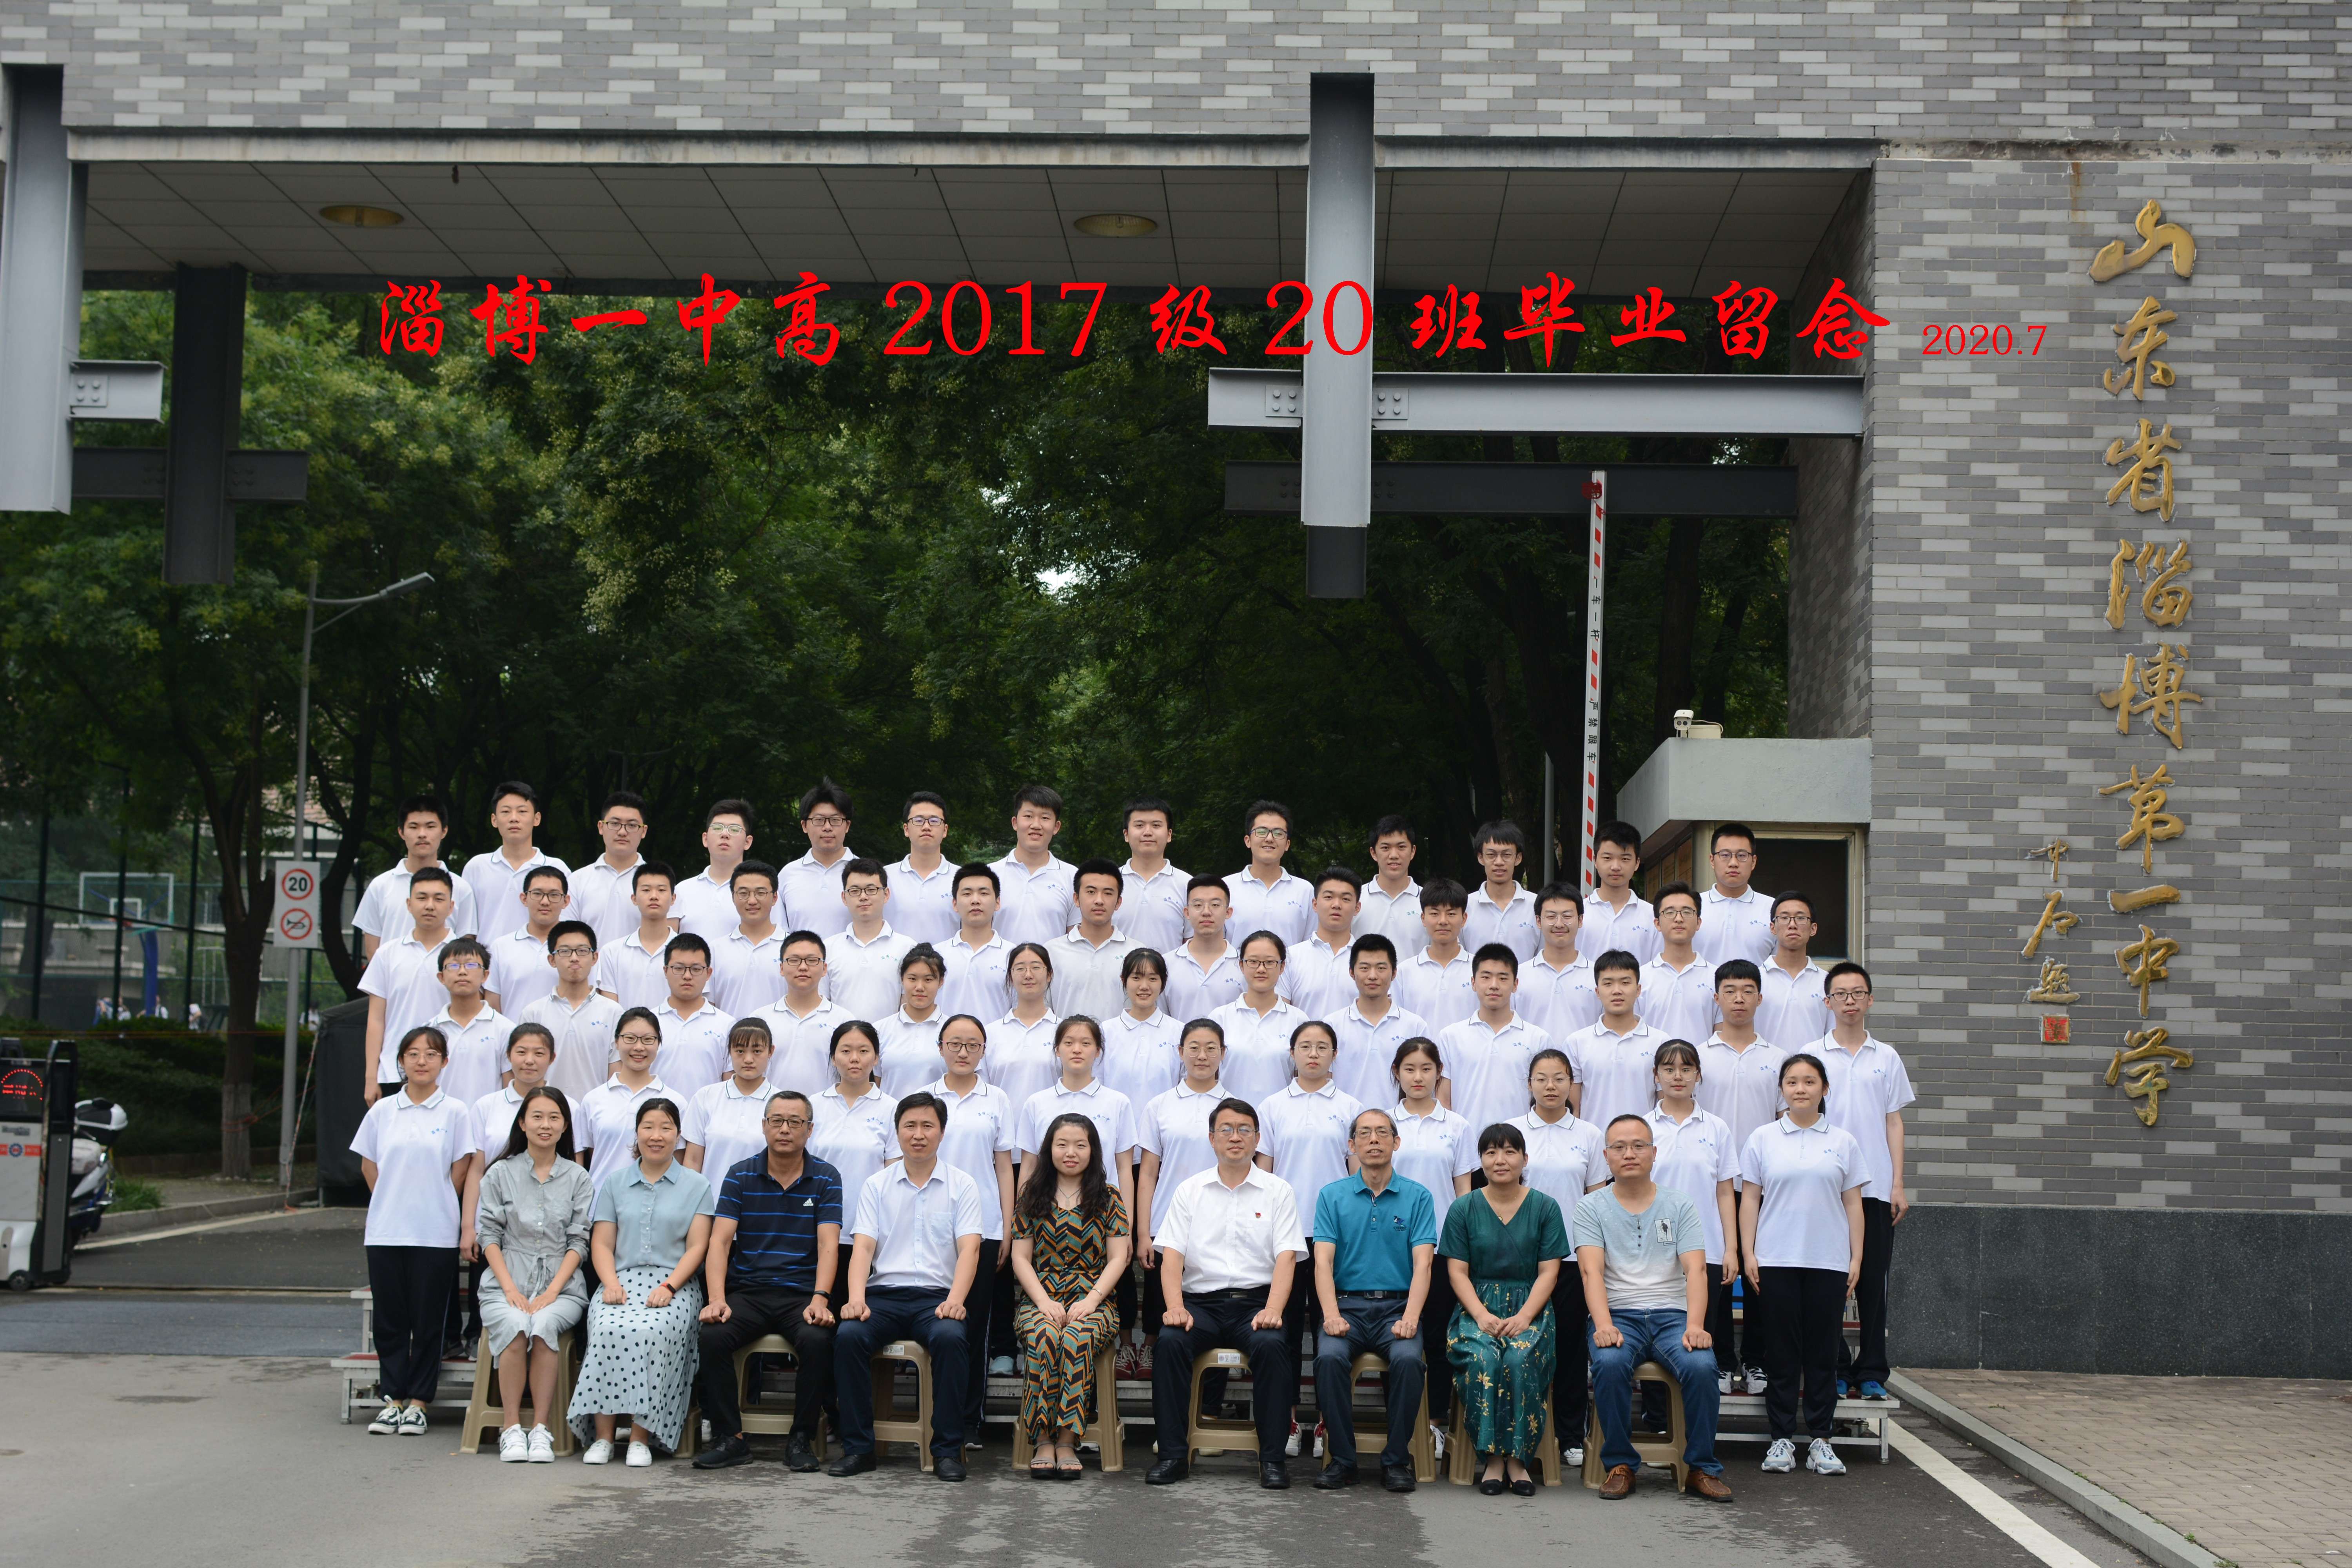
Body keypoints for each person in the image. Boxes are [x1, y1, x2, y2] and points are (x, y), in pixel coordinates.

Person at [1147, 1096, 1305, 1489]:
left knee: (1273, 1345)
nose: (1236, 1137)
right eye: (1227, 1130)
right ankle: (1173, 1456)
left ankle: (1272, 1460)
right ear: (1212, 1138)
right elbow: (1172, 1257)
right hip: (1201, 1305)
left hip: (1255, 1304)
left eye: (1244, 1130)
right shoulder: (1190, 1190)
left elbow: (1287, 1257)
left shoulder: (1278, 1190)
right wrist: (1175, 1307)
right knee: (1170, 1341)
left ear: (1257, 1139)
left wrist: (1273, 1309)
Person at [1576, 1113, 1734, 1501]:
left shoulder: (1679, 1204)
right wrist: (1603, 1324)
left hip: (1672, 1316)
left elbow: (1696, 1269)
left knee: (1702, 1366)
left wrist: (1695, 1325)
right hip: (1619, 1314)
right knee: (1610, 1363)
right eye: (1619, 1147)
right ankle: (1620, 1465)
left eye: (1638, 1146)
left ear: (1654, 1152)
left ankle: (1701, 1467)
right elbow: (1591, 1272)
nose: (1629, 1154)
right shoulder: (1591, 1206)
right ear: (1607, 1157)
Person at [830, 1092, 986, 1481]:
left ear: (942, 1132)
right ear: (897, 1132)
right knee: (849, 1335)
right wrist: (855, 1299)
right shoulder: (877, 1184)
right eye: (910, 1126)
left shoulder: (963, 1184)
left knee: (951, 1338)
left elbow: (970, 1250)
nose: (918, 1134)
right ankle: (859, 1448)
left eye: (927, 1126)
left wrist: (956, 1300)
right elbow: (863, 1248)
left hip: (937, 1299)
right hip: (884, 1297)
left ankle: (947, 1451)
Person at [690, 1087, 842, 1472]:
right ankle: (731, 1438)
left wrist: (821, 1298)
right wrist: (717, 1298)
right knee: (713, 1335)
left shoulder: (826, 1177)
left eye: (795, 1122)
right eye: (777, 1121)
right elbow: (720, 1242)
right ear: (764, 1126)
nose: (785, 1129)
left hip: (801, 1294)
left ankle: (801, 1438)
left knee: (817, 1339)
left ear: (810, 1129)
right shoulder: (740, 1174)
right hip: (749, 1291)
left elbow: (828, 1245)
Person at [1738, 1054, 1865, 1476]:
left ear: (1825, 1089)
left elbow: (1853, 1203)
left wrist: (1856, 1256)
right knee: (1781, 1352)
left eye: (1810, 1081)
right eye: (1792, 1082)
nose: (1800, 1089)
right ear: (1782, 1090)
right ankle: (1782, 1438)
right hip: (1776, 1258)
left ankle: (1822, 1439)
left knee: (1823, 1352)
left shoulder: (1843, 1141)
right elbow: (1750, 1199)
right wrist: (1749, 1252)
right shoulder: (1763, 1138)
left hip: (1828, 1261)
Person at [572, 1098, 715, 1464]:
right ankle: (603, 1437)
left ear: (678, 1135)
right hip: (620, 1280)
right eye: (648, 1127)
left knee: (652, 1330)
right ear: (636, 1133)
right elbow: (601, 1244)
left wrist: (669, 1288)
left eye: (666, 1128)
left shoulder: (697, 1185)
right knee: (606, 1327)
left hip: (675, 1285)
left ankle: (640, 1436)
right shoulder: (615, 1182)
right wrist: (610, 1284)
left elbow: (698, 1247)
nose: (657, 1135)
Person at [352, 1025, 476, 1436]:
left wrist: (432, 1200)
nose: (422, 1061)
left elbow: (460, 1169)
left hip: (435, 1232)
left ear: (445, 1061)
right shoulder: (382, 1111)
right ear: (401, 1062)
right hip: (386, 1230)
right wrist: (393, 1199)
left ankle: (420, 1401)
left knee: (428, 1320)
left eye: (431, 1054)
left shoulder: (455, 1111)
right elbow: (369, 1165)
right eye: (413, 1054)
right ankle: (393, 1399)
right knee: (390, 1319)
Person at [1439, 1122, 1569, 1496]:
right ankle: (1493, 1459)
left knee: (1518, 1358)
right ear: (1481, 1160)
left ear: (1525, 1159)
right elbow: (1457, 1272)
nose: (1501, 1160)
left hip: (1531, 1310)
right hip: (1476, 1310)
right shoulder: (1464, 1208)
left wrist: (1525, 1316)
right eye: (1491, 1152)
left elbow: (1549, 1272)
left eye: (1510, 1152)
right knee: (1485, 1359)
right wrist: (1481, 1315)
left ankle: (1518, 1460)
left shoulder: (1545, 1207)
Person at [1311, 1108, 1435, 1493]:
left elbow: (1424, 1263)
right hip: (1347, 1307)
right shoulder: (1332, 1195)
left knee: (1409, 1360)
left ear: (1397, 1142)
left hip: (1397, 1309)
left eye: (1383, 1133)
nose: (1374, 1140)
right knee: (1329, 1358)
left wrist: (1411, 1316)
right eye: (1364, 1134)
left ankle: (1396, 1460)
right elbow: (1322, 1262)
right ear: (1352, 1145)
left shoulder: (1418, 1196)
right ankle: (1343, 1461)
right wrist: (1331, 1314)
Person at [474, 1084, 594, 1463]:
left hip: (563, 1286)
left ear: (565, 1126)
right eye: (537, 1117)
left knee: (543, 1323)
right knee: (514, 1323)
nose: (546, 1125)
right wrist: (509, 1288)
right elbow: (489, 1235)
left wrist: (553, 1291)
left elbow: (579, 1241)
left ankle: (541, 1429)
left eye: (554, 1118)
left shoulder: (578, 1177)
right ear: (523, 1123)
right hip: (505, 1280)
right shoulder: (500, 1173)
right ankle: (511, 1428)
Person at [1011, 1112, 1132, 1478]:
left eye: (1081, 1145)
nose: (1071, 1153)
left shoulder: (1109, 1197)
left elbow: (1119, 1258)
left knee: (1077, 1337)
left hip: (1094, 1299)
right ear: (1049, 1149)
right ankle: (1042, 1439)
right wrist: (1044, 1302)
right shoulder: (1031, 1195)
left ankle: (1067, 1440)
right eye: (1062, 1144)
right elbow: (1020, 1258)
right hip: (1041, 1296)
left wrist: (1092, 1300)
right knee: (1045, 1335)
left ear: (1093, 1151)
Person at [1814, 962, 1912, 1401]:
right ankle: (1834, 1365)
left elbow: (1894, 1122)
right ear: (1828, 1002)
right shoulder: (1812, 1055)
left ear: (1870, 1000)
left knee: (1874, 1280)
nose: (1849, 1001)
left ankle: (1872, 1369)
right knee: (1829, 1282)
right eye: (1841, 994)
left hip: (1874, 1186)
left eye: (1857, 993)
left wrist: (1898, 1184)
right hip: (1825, 1188)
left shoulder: (1886, 1057)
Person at [921, 1013, 1018, 1446]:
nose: (963, 1052)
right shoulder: (924, 1098)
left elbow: (1004, 1166)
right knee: (935, 1319)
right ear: (941, 1047)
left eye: (973, 1045)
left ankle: (967, 1420)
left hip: (983, 1225)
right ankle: (932, 1415)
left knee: (974, 1325)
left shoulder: (997, 1099)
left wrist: (1008, 1226)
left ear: (984, 1051)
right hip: (931, 1222)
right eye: (955, 1044)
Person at [1514, 1047, 1608, 1467]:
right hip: (1521, 1260)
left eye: (1559, 1078)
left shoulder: (1589, 1134)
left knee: (1570, 1348)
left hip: (1571, 1258)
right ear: (1529, 1084)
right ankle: (1520, 1432)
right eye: (1542, 1078)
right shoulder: (1514, 1131)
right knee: (1522, 1347)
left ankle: (1570, 1434)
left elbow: (1597, 1198)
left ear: (1572, 1083)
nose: (1550, 1086)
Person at [1697, 960, 1786, 1393]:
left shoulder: (1778, 1058)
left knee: (1758, 1274)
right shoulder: (1698, 1056)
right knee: (1716, 1271)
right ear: (1716, 997)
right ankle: (1719, 1360)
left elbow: (1784, 1121)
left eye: (1747, 991)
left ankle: (1756, 1361)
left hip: (1759, 1185)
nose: (1738, 999)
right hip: (1712, 1184)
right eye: (1729, 991)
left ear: (1760, 998)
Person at [1644, 1042, 1741, 1394]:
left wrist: (1731, 1248)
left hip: (1706, 1247)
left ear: (1698, 1075)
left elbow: (1725, 1192)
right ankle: (1658, 1415)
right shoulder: (1643, 1127)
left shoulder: (1716, 1128)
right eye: (1669, 1069)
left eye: (1686, 1069)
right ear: (1656, 1076)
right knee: (1656, 1334)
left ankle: (1696, 1418)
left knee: (1700, 1335)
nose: (1678, 1077)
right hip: (1652, 1249)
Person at [1387, 1036, 1470, 1437]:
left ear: (1439, 1073)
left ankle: (1435, 1421)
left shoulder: (1457, 1125)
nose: (1418, 1077)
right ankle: (1396, 1421)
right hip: (1388, 1245)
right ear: (1396, 1073)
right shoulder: (1382, 1122)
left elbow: (1464, 1193)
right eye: (1409, 1069)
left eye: (1426, 1069)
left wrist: (1465, 1244)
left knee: (1438, 1335)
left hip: (1441, 1246)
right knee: (1390, 1333)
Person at [1133, 1019, 1228, 1344]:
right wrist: (1144, 1233)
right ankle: (1152, 1351)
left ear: (1223, 1054)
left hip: (1218, 1220)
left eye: (1211, 1049)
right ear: (1180, 1052)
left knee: (1210, 1303)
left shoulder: (1233, 1107)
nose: (1202, 1056)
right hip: (1166, 1220)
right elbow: (1148, 1173)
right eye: (1194, 1048)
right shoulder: (1159, 1106)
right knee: (1161, 1303)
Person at [1016, 1016, 1137, 1214]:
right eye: (1069, 1043)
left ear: (1098, 1051)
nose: (1077, 1050)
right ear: (1057, 1049)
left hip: (1103, 1214)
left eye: (1086, 1043)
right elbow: (1029, 1166)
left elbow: (1124, 1169)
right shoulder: (1037, 1103)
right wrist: (1022, 1218)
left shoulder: (1118, 1103)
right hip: (1046, 1214)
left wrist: (1127, 1221)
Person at [810, 1021, 900, 1287]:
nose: (855, 1059)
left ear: (876, 1058)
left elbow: (894, 1175)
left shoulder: (892, 1109)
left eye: (863, 1051)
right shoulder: (813, 1106)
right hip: (815, 1228)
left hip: (869, 1230)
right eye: (846, 1051)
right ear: (833, 1057)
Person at [359, 866, 459, 1103]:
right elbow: (376, 1019)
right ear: (409, 904)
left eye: (439, 899)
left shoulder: (464, 956)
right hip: (394, 1071)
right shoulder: (387, 954)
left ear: (451, 907)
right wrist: (371, 1077)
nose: (430, 906)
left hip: (450, 1072)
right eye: (422, 898)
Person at [1436, 944, 1548, 1133]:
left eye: (1503, 978)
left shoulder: (1538, 1039)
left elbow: (1544, 1103)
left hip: (1521, 1144)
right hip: (1467, 1145)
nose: (1494, 985)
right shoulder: (1451, 1037)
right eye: (1486, 977)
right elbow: (1444, 1100)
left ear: (1515, 985)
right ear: (1473, 983)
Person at [356, 794, 479, 958]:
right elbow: (373, 950)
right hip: (392, 974)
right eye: (414, 827)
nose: (422, 834)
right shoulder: (380, 886)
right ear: (401, 832)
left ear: (444, 831)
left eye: (430, 827)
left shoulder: (461, 888)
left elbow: (466, 948)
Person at [519, 920, 624, 1106]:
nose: (574, 958)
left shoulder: (613, 1012)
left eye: (582, 951)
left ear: (595, 958)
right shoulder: (533, 1013)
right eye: (565, 951)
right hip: (547, 1114)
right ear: (552, 960)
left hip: (596, 1111)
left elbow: (616, 1074)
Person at [576, 1008, 677, 1197]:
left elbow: (678, 1162)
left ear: (658, 1044)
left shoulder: (675, 1101)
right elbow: (591, 1156)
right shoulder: (593, 1100)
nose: (639, 1047)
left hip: (656, 1205)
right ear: (616, 1042)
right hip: (600, 1203)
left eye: (648, 1040)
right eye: (630, 1038)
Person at [1565, 949, 1669, 1131]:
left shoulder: (1660, 1042)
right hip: (1595, 1143)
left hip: (1642, 1143)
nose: (1617, 991)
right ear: (1598, 992)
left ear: (1638, 990)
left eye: (1625, 983)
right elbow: (1573, 1111)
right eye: (1608, 983)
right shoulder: (1577, 1043)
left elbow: (1664, 1106)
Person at [1323, 934, 1427, 1109]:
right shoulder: (1332, 1025)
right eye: (1364, 968)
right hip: (1347, 1121)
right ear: (1352, 972)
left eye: (1381, 968)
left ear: (1394, 973)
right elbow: (1325, 1081)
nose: (1373, 976)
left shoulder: (1415, 1026)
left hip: (1398, 1122)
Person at [463, 782, 570, 945]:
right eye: (506, 812)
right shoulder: (477, 867)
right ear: (494, 820)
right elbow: (467, 930)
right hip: (487, 959)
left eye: (522, 811)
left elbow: (567, 925)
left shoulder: (557, 868)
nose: (514, 818)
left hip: (543, 958)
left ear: (537, 819)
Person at [1210, 931, 1311, 1103]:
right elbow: (1210, 1076)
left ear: (1282, 967)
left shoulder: (1298, 1020)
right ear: (1241, 965)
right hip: (1230, 1116)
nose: (1261, 969)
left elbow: (1304, 1078)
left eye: (1270, 962)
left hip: (1280, 1116)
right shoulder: (1220, 1018)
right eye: (1253, 962)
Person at [747, 931, 851, 1096]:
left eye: (812, 960)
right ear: (782, 968)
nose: (803, 967)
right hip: (772, 1110)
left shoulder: (844, 1020)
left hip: (827, 1110)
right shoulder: (760, 1019)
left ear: (824, 969)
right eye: (794, 961)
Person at [682, 1018, 783, 1183]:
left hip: (762, 1199)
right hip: (711, 1199)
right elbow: (693, 1161)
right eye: (740, 1051)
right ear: (729, 1051)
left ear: (771, 1052)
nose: (748, 1059)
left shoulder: (782, 1103)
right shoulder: (705, 1097)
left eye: (757, 1051)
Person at [824, 857, 915, 1021]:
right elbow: (823, 1005)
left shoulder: (908, 948)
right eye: (855, 891)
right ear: (844, 898)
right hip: (840, 1037)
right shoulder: (827, 949)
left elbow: (908, 1007)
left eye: (871, 890)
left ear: (886, 895)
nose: (863, 897)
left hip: (890, 1037)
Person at [424, 938, 512, 1105]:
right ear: (441, 977)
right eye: (454, 966)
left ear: (485, 975)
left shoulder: (505, 1029)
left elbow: (509, 1089)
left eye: (471, 965)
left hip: (487, 1120)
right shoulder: (430, 1030)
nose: (463, 972)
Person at [1049, 858, 1137, 1021]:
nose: (1099, 900)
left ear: (1118, 902)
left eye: (1108, 893)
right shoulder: (1051, 952)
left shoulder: (1136, 953)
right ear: (1076, 899)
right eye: (1091, 892)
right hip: (1066, 1038)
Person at [468, 1022, 559, 1172]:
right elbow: (477, 1170)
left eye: (539, 1054)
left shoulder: (567, 1107)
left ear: (552, 1058)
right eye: (522, 1052)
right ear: (509, 1055)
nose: (529, 1061)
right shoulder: (485, 1106)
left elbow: (574, 1168)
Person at [993, 785, 1077, 947]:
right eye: (1029, 816)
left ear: (1056, 827)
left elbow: (1075, 938)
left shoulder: (1073, 877)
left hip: (1053, 964)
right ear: (1015, 823)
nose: (1036, 825)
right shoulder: (991, 875)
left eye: (1045, 818)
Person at [984, 942, 1063, 1111]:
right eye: (1020, 969)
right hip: (1003, 1126)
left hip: (1053, 1125)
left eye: (1036, 968)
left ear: (1049, 975)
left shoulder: (1064, 1031)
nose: (1028, 975)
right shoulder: (991, 1033)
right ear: (1010, 977)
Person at [1518, 883, 1600, 1045]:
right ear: (1539, 921)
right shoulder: (1520, 975)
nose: (1559, 924)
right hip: (1532, 1061)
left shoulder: (1598, 976)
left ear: (1581, 920)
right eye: (1551, 917)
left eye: (1567, 916)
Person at [1225, 800, 1314, 947]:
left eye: (1278, 833)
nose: (1269, 839)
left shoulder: (1305, 891)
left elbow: (1310, 946)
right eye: (1262, 832)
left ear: (1287, 844)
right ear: (1248, 841)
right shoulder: (1226, 887)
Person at [1639, 882, 1719, 1045]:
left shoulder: (1716, 977)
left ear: (1698, 922)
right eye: (1670, 912)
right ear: (1657, 924)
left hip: (1701, 1062)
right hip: (1653, 1062)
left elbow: (1721, 1037)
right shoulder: (1641, 978)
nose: (1679, 919)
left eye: (1687, 912)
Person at [485, 863, 570, 1016]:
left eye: (554, 895)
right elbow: (493, 1007)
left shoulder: (579, 949)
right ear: (524, 899)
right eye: (537, 894)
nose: (545, 902)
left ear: (566, 901)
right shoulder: (501, 947)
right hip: (514, 1031)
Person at [592, 862, 678, 1013]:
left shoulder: (687, 953)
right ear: (634, 898)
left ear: (673, 899)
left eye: (661, 890)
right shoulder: (612, 952)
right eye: (646, 890)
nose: (654, 896)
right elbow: (610, 1012)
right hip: (625, 1029)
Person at [650, 933, 732, 1090]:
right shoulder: (649, 1023)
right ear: (666, 971)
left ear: (708, 973)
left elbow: (729, 1086)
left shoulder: (727, 1025)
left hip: (708, 1107)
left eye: (696, 969)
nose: (687, 976)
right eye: (679, 968)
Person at [569, 791, 651, 947]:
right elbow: (567, 937)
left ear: (644, 831)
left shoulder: (658, 884)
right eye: (615, 824)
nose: (622, 832)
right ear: (601, 827)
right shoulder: (577, 880)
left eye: (632, 826)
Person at [1102, 949, 1181, 1107]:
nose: (1144, 986)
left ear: (1163, 982)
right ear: (1124, 980)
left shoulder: (1179, 1031)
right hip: (1117, 1121)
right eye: (1136, 978)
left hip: (1163, 1120)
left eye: (1153, 979)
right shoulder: (1106, 1031)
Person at [1394, 879, 1475, 1031]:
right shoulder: (1404, 972)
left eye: (1451, 914)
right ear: (1423, 918)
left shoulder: (1479, 970)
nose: (1443, 921)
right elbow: (1397, 1023)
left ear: (1464, 919)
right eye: (1435, 914)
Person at [936, 863, 1014, 1021]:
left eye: (984, 893)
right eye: (967, 894)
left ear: (997, 903)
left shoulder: (1014, 956)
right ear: (955, 904)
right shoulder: (937, 955)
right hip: (945, 1038)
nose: (975, 900)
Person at [707, 860, 786, 1017]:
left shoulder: (792, 949)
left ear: (775, 897)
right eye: (744, 893)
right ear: (733, 897)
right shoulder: (715, 950)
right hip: (730, 1033)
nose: (752, 901)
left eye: (761, 893)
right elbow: (709, 1007)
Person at [1281, 867, 1361, 1020]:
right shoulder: (1290, 957)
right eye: (1329, 897)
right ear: (1315, 904)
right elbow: (1282, 1016)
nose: (1336, 905)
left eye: (1345, 899)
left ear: (1357, 908)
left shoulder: (1369, 960)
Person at [780, 779, 858, 937]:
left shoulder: (865, 873)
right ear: (804, 826)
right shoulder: (788, 874)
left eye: (835, 820)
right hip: (800, 954)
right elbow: (779, 932)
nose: (827, 828)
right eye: (819, 820)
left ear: (847, 826)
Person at [673, 799, 757, 940]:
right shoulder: (682, 891)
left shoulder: (761, 893)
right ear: (705, 839)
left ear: (748, 842)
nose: (725, 834)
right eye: (718, 828)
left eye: (734, 830)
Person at [1577, 821, 1660, 965]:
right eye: (1607, 858)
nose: (1616, 867)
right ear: (1595, 860)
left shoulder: (1653, 916)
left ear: (1637, 863)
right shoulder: (1578, 914)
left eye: (1625, 859)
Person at [1756, 891, 1831, 1049]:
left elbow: (1834, 1036)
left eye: (1801, 918)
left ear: (1813, 929)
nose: (1792, 925)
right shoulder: (1756, 980)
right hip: (1766, 1065)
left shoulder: (1827, 983)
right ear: (1773, 928)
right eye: (1784, 918)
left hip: (1813, 1065)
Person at [1114, 797, 1190, 951]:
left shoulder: (1187, 885)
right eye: (1140, 825)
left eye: (1156, 825)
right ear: (1126, 834)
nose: (1148, 832)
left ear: (1169, 835)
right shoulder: (1110, 883)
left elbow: (1192, 942)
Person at [1163, 875, 1242, 1022]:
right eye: (1198, 905)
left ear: (1228, 912)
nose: (1206, 912)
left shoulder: (1245, 965)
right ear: (1187, 913)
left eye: (1215, 905)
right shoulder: (1166, 964)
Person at [883, 791, 958, 944]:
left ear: (945, 830)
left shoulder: (962, 879)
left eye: (934, 821)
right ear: (906, 829)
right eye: (918, 821)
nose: (926, 827)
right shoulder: (884, 877)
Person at [1695, 823, 1773, 966]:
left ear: (1754, 861)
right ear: (1712, 860)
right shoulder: (1691, 907)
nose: (1733, 863)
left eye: (1742, 856)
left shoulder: (1774, 909)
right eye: (1725, 855)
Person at [1463, 821, 1540, 961]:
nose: (1499, 862)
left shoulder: (1538, 905)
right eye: (1491, 855)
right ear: (1481, 858)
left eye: (1507, 855)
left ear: (1518, 858)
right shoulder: (1465, 906)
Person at [1354, 815, 1425, 958]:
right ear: (1373, 853)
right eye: (1386, 848)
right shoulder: (1355, 899)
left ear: (1413, 851)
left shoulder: (1429, 901)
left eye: (1401, 847)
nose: (1394, 855)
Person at [878, 944, 949, 1085]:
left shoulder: (952, 1031)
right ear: (902, 979)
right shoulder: (880, 1030)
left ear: (941, 981)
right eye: (912, 979)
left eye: (928, 980)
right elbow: (876, 1083)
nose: (920, 987)